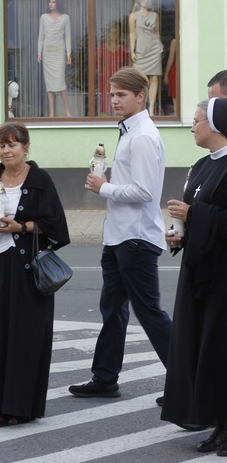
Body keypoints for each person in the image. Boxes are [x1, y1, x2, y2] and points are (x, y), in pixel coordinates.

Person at [69, 67, 171, 398]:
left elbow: (144, 191)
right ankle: (105, 378)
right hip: (119, 236)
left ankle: (188, 381)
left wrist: (105, 187)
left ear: (140, 96)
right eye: (111, 94)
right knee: (112, 309)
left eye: (121, 95)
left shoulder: (141, 136)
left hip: (136, 238)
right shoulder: (129, 131)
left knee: (149, 312)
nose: (113, 100)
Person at [0, 123, 69, 425]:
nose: (6, 150)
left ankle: (19, 407)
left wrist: (21, 227)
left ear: (26, 147)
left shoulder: (40, 179)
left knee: (24, 337)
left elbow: (55, 226)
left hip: (27, 272)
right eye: (1, 145)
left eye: (12, 144)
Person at [161, 98, 227, 455]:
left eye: (198, 120)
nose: (192, 126)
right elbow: (198, 215)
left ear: (216, 125)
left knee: (221, 350)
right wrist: (180, 232)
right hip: (199, 273)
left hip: (223, 277)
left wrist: (195, 214)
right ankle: (218, 422)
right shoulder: (202, 165)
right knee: (205, 350)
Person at [37, 0, 72, 118]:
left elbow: (67, 36)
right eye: (50, 2)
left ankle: (67, 111)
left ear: (59, 3)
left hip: (59, 51)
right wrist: (39, 52)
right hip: (47, 51)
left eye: (53, 2)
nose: (51, 4)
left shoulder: (65, 18)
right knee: (49, 84)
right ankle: (52, 112)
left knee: (61, 81)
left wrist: (69, 53)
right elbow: (41, 36)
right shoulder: (43, 17)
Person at [129, 0, 164, 115]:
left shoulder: (155, 15)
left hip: (154, 48)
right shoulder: (133, 16)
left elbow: (157, 32)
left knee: (154, 78)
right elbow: (133, 34)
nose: (145, 1)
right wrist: (132, 50)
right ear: (138, 1)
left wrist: (160, 47)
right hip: (141, 48)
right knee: (139, 77)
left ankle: (152, 109)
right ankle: (140, 107)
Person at [96, 23, 129, 115]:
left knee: (119, 99)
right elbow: (96, 65)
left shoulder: (123, 48)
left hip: (119, 80)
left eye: (116, 32)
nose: (113, 35)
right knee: (105, 102)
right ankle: (103, 122)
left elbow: (127, 65)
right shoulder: (102, 48)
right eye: (111, 32)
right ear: (108, 34)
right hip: (105, 79)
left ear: (119, 34)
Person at [163, 37, 178, 111]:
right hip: (185, 70)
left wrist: (166, 74)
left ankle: (176, 113)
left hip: (175, 70)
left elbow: (171, 58)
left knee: (175, 98)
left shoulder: (175, 41)